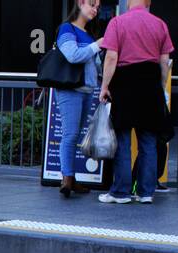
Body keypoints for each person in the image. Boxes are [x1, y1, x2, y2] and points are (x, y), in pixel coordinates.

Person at [98, 0, 173, 205]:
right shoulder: (159, 24)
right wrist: (159, 86)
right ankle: (146, 192)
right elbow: (164, 62)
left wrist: (105, 87)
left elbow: (111, 57)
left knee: (122, 140)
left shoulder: (117, 22)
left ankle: (121, 192)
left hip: (124, 84)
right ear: (148, 2)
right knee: (148, 141)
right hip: (150, 85)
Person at [55, 0, 103, 198]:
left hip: (86, 89)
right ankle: (67, 178)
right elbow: (72, 55)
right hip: (70, 88)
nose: (95, 10)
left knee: (74, 135)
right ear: (80, 3)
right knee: (70, 134)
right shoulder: (67, 29)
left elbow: (94, 65)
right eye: (92, 4)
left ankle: (70, 177)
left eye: (97, 7)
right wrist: (97, 45)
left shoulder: (87, 33)